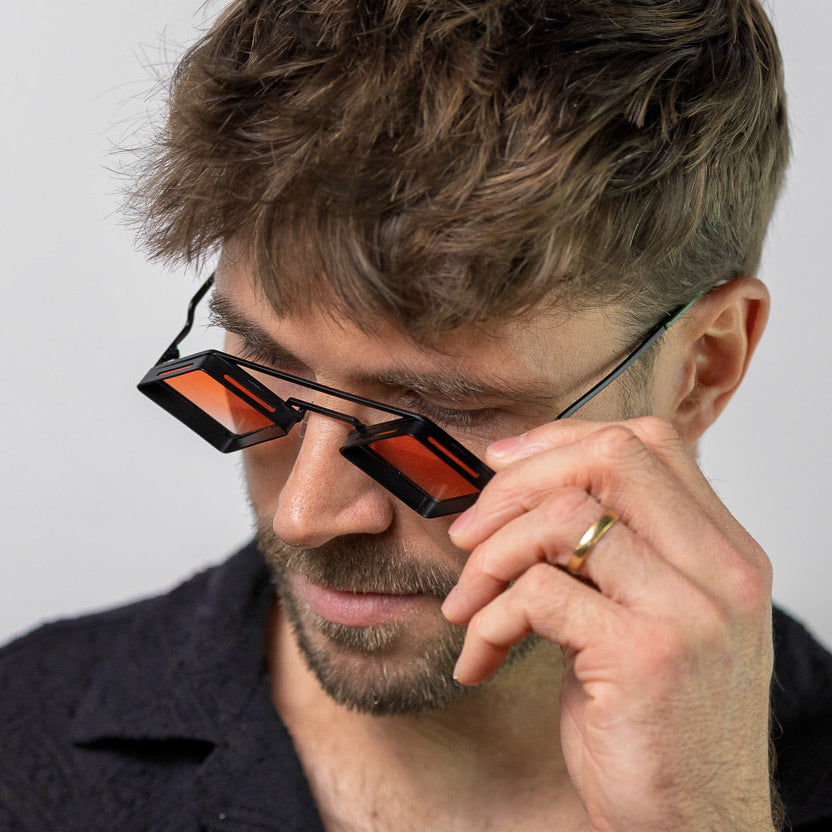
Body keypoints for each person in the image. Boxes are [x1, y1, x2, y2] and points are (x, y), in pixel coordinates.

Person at [2, 0, 831, 829]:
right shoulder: (23, 738)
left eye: (442, 410)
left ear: (703, 368)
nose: (304, 516)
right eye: (264, 369)